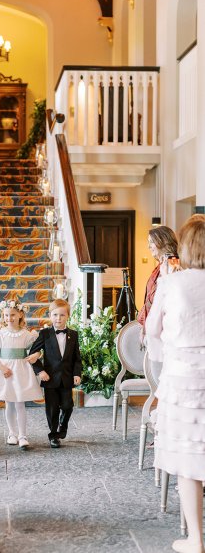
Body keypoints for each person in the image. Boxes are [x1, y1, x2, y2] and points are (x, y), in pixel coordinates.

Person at [146, 214, 205, 553]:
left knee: (189, 460)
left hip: (184, 381)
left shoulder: (174, 283)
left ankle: (195, 539)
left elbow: (153, 329)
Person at [0, 299, 42, 450]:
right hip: (6, 371)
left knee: (20, 403)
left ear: (20, 315)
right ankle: (12, 433)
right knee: (9, 404)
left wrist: (37, 355)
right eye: (6, 315)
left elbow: (36, 351)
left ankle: (22, 435)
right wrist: (1, 367)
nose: (9, 318)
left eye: (12, 314)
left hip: (20, 370)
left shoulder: (27, 334)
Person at [29, 299, 82, 449]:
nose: (58, 318)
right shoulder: (45, 334)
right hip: (50, 378)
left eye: (62, 315)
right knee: (52, 409)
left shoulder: (73, 335)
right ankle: (53, 435)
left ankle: (62, 427)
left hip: (66, 378)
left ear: (68, 316)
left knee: (67, 405)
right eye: (55, 315)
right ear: (50, 316)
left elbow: (76, 358)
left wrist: (76, 373)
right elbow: (33, 354)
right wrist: (40, 371)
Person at [137, 225, 179, 337]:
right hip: (155, 323)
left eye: (151, 242)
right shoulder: (162, 264)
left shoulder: (173, 263)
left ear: (163, 241)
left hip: (164, 327)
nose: (148, 246)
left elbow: (169, 296)